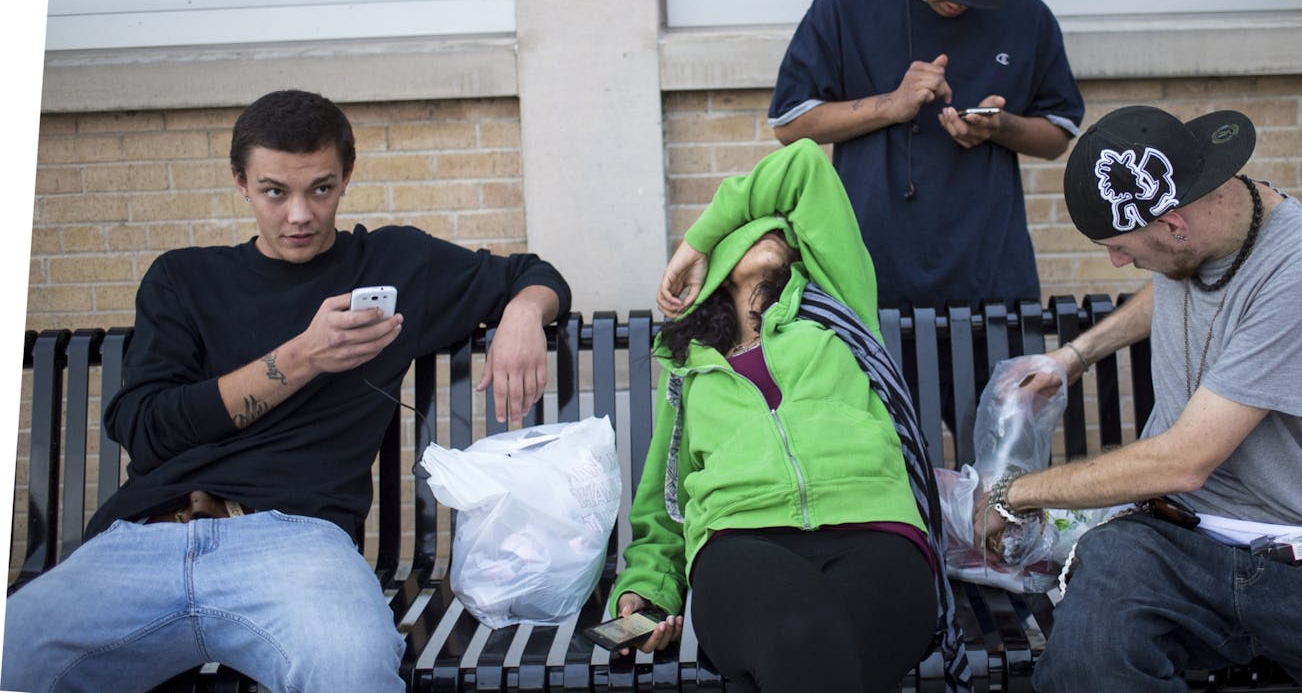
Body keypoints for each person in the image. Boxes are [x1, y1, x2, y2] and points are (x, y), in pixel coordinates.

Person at [1, 90, 571, 693]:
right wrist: (303, 356)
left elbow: (534, 275)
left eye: (320, 189)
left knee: (353, 671)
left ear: (346, 178)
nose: (299, 214)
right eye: (275, 191)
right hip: (147, 538)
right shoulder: (185, 278)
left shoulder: (394, 263)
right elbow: (145, 430)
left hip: (297, 545)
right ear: (241, 182)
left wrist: (523, 316)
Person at [974, 104, 1302, 692]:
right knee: (1088, 668)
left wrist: (1014, 493)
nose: (1116, 260)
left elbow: (1184, 461)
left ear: (1176, 223)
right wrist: (1074, 356)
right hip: (1164, 537)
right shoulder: (1201, 237)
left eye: (1120, 246)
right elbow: (1171, 281)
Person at [609, 138, 972, 693]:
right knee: (806, 637)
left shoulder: (839, 306)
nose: (775, 224)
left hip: (875, 529)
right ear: (720, 269)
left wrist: (694, 239)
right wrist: (642, 591)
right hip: (741, 542)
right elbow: (665, 502)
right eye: (755, 223)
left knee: (815, 652)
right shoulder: (690, 370)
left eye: (780, 223)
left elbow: (803, 166)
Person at [768, 0, 1084, 313]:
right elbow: (788, 123)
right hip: (868, 275)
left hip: (991, 280)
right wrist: (890, 105)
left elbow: (1057, 137)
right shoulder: (847, 4)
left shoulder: (1028, 16)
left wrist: (1001, 127)